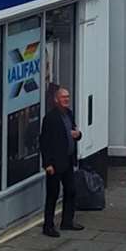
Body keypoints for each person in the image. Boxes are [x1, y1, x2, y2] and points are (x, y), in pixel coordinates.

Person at [39, 85, 84, 237]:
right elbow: (44, 142)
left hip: (68, 160)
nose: (66, 100)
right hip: (55, 162)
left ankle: (67, 222)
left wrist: (78, 135)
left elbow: (73, 132)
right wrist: (47, 164)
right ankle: (48, 226)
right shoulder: (50, 118)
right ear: (56, 100)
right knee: (52, 195)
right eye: (63, 97)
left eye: (68, 97)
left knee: (71, 191)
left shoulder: (69, 114)